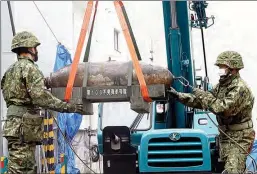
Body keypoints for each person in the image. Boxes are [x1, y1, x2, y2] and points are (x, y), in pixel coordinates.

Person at [1, 31, 84, 174]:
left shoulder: (9, 71)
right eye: (35, 47)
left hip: (13, 124)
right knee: (21, 169)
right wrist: (68, 107)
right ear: (30, 48)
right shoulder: (30, 69)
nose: (36, 50)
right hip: (23, 126)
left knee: (22, 166)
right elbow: (41, 97)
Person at [168, 51, 255, 173]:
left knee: (233, 171)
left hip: (240, 137)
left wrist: (203, 95)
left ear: (233, 68)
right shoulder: (221, 86)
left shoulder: (240, 88)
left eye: (223, 67)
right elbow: (201, 101)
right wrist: (178, 96)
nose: (220, 69)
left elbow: (222, 109)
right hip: (226, 136)